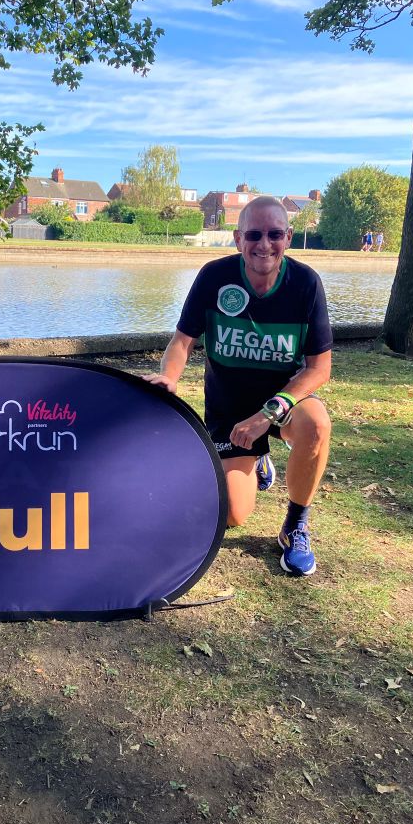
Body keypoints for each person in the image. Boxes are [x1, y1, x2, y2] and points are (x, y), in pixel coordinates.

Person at [144, 196, 332, 577]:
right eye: (254, 234)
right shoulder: (215, 277)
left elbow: (319, 369)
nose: (265, 244)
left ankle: (295, 525)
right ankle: (257, 459)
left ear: (288, 237)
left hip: (281, 405)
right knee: (232, 514)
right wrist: (171, 377)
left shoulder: (306, 284)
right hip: (230, 411)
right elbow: (183, 341)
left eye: (275, 234)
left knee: (317, 425)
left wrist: (268, 414)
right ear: (237, 238)